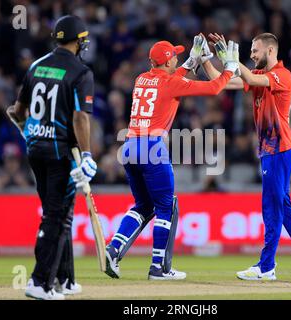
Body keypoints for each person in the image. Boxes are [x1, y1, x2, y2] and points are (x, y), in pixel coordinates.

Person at [104, 36, 240, 280]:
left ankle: (113, 249)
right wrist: (229, 68)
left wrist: (190, 61)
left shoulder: (141, 79)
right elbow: (214, 88)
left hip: (128, 146)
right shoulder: (171, 82)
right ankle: (159, 268)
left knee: (143, 207)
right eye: (174, 56)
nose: (177, 58)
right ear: (167, 62)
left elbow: (172, 78)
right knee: (167, 206)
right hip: (152, 148)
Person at [201, 32, 291, 281]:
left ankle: (266, 266)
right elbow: (223, 82)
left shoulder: (282, 75)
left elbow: (246, 75)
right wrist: (206, 59)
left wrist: (231, 58)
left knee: (271, 206)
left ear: (271, 51)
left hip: (279, 148)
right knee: (281, 204)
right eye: (250, 51)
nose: (251, 55)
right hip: (271, 149)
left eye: (255, 50)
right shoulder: (259, 75)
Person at [7, 15, 97, 299]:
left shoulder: (36, 65)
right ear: (78, 41)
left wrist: (28, 132)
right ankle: (39, 282)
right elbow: (80, 117)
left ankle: (64, 279)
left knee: (57, 214)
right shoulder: (81, 73)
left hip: (35, 150)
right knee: (57, 217)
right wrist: (86, 155)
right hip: (61, 152)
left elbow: (16, 111)